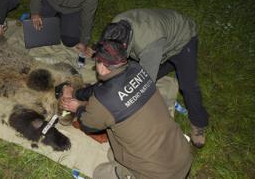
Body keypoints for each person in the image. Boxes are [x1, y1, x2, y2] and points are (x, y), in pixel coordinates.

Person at [61, 39, 192, 179]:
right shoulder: (137, 69)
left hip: (159, 175)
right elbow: (100, 88)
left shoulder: (103, 101)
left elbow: (87, 124)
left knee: (100, 173)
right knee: (114, 153)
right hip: (181, 154)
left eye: (97, 62)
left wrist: (78, 106)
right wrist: (75, 93)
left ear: (103, 67)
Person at [101, 8, 208, 148]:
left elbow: (145, 85)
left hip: (183, 39)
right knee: (136, 72)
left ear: (125, 45)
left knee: (188, 86)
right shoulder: (115, 28)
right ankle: (169, 63)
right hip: (161, 40)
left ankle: (198, 123)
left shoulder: (149, 45)